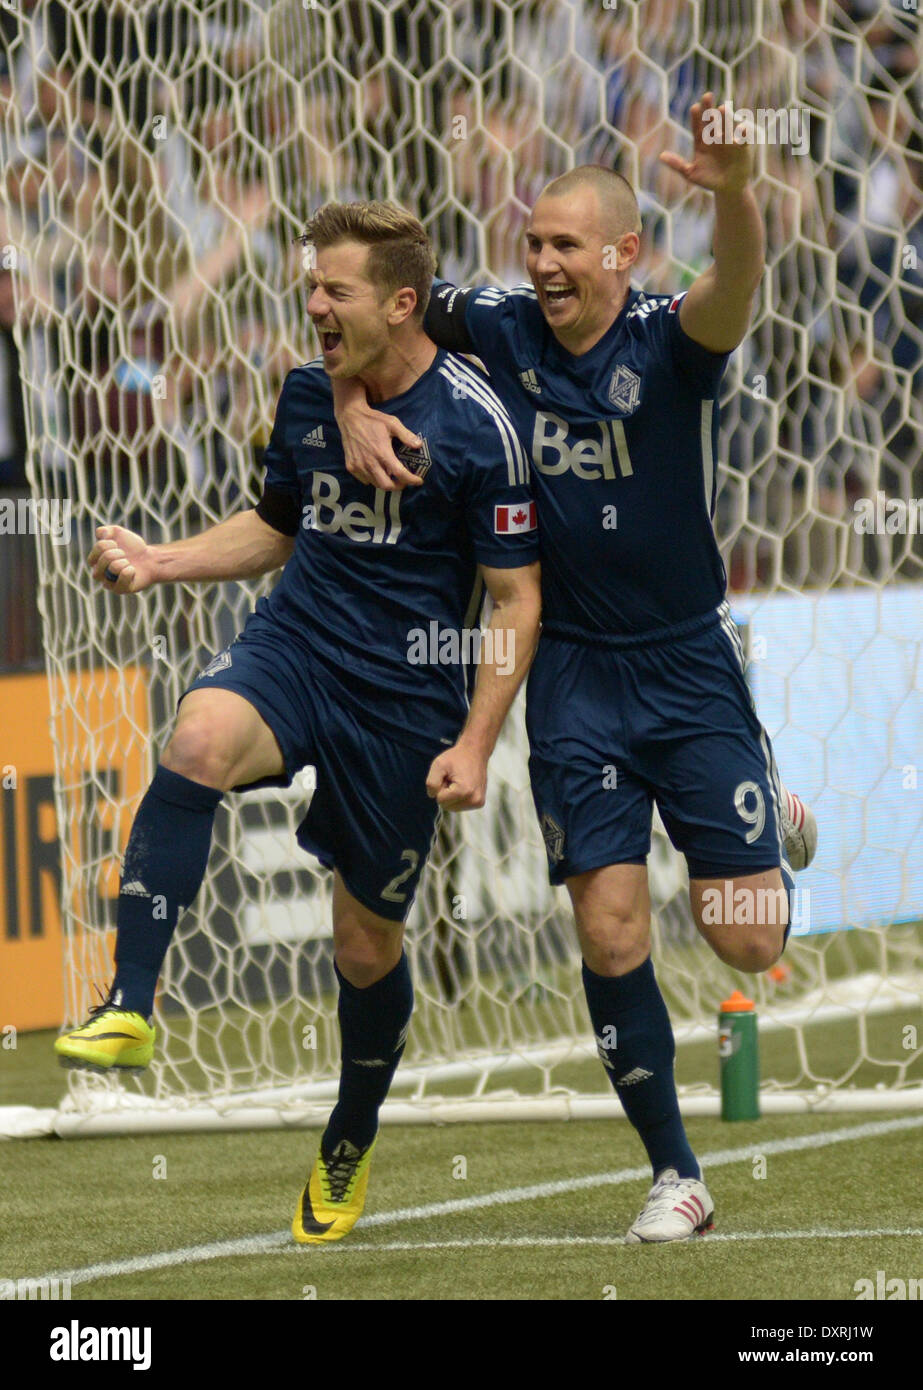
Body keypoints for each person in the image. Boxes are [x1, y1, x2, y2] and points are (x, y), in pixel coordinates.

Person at [332, 95, 818, 1243]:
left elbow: (733, 290)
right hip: (573, 677)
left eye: (564, 246)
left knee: (746, 936)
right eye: (532, 243)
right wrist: (350, 398)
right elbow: (370, 317)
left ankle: (776, 819)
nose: (541, 264)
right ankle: (674, 1174)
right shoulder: (494, 322)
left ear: (621, 252)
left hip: (688, 662)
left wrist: (736, 192)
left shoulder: (668, 340)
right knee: (607, 932)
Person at [53, 200, 542, 1245]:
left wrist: (474, 741)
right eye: (310, 285)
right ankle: (129, 1003)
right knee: (193, 737)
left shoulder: (479, 424)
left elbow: (512, 600)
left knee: (364, 948)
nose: (312, 303)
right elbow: (279, 524)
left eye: (335, 290)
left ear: (402, 303)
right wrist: (162, 558)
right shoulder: (309, 389)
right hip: (296, 648)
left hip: (407, 700)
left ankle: (350, 1132)